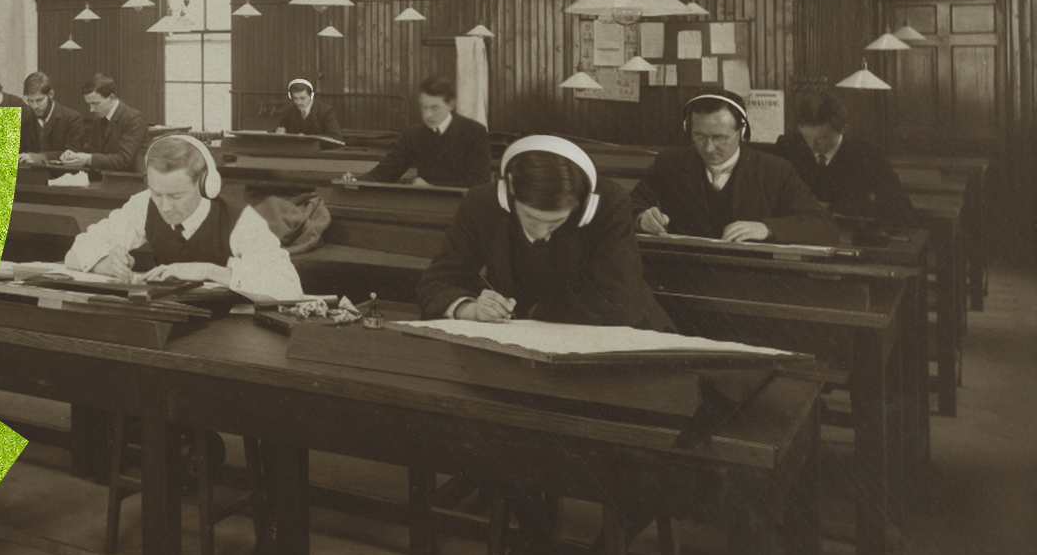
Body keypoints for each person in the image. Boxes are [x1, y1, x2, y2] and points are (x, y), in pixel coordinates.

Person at [416, 136, 671, 330]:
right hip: (523, 344)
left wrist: (531, 312)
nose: (538, 233)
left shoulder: (608, 204)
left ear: (584, 208)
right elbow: (436, 283)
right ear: (509, 191)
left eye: (554, 222)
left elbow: (620, 304)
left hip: (628, 340)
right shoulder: (481, 204)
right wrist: (469, 310)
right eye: (530, 218)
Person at [64, 136, 305, 300]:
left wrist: (208, 271)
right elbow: (74, 254)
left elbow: (289, 287)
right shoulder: (143, 203)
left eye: (177, 196)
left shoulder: (240, 220)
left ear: (205, 186)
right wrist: (102, 261)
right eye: (157, 193)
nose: (165, 206)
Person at [631, 91, 837, 245]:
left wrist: (766, 228)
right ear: (689, 129)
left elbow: (825, 227)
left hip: (751, 281)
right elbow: (628, 208)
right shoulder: (670, 164)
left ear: (742, 132)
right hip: (684, 274)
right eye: (700, 137)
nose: (709, 148)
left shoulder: (775, 171)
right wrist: (641, 219)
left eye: (720, 138)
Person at [774, 93, 915, 225]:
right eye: (806, 137)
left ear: (843, 129)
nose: (813, 145)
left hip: (850, 234)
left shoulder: (868, 153)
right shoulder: (788, 147)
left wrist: (834, 207)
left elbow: (900, 207)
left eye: (822, 139)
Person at [348, 74, 491, 187]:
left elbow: (479, 182)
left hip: (462, 207)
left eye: (434, 108)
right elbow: (385, 172)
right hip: (425, 205)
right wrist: (356, 182)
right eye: (424, 107)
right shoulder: (414, 134)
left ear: (451, 104)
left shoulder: (474, 132)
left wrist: (433, 187)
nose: (428, 115)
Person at [61, 73, 150, 173]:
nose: (91, 110)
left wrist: (88, 158)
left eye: (95, 104)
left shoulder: (134, 119)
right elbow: (93, 151)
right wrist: (74, 155)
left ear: (111, 97)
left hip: (130, 181)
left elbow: (124, 159)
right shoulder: (99, 119)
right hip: (105, 180)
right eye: (89, 104)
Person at [20, 71, 86, 164]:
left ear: (51, 94)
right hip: (32, 176)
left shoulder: (72, 118)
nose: (35, 106)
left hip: (64, 176)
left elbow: (72, 154)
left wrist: (39, 158)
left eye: (39, 100)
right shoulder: (26, 119)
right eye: (30, 101)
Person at [273, 77, 342, 139]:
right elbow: (275, 131)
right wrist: (279, 133)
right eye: (295, 98)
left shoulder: (326, 111)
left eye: (302, 98)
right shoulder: (288, 110)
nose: (298, 102)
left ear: (311, 96)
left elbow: (336, 136)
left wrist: (308, 138)